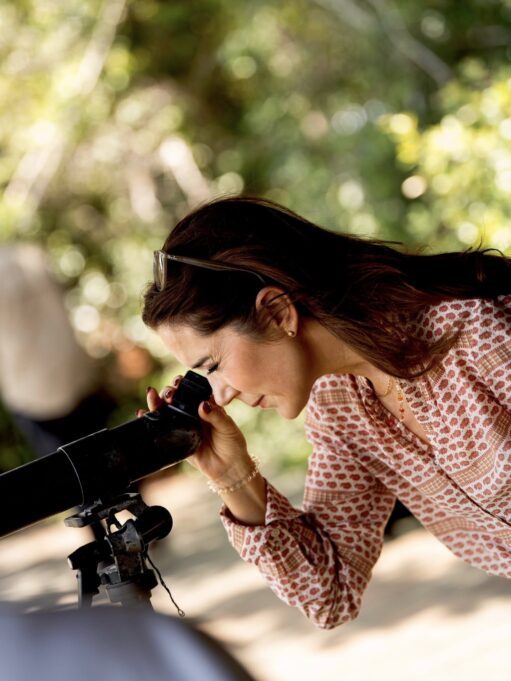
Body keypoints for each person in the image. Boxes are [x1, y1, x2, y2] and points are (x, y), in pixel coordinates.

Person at [140, 196, 511, 630]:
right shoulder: (340, 407)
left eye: (213, 366)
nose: (219, 396)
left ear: (277, 312)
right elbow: (330, 592)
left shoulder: (475, 331)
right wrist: (231, 475)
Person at [0, 244, 116, 461]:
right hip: (75, 377)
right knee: (105, 459)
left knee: (70, 471)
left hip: (34, 396)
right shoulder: (30, 254)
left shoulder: (27, 257)